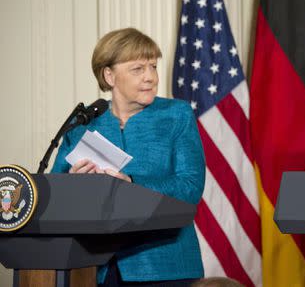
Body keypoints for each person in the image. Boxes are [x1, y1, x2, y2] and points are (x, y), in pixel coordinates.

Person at [51, 27, 206, 286]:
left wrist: (131, 184)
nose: (151, 78)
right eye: (138, 69)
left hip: (167, 266)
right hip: (97, 269)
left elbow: (190, 187)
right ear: (109, 75)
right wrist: (74, 183)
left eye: (153, 67)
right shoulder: (83, 125)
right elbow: (54, 192)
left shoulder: (177, 115)